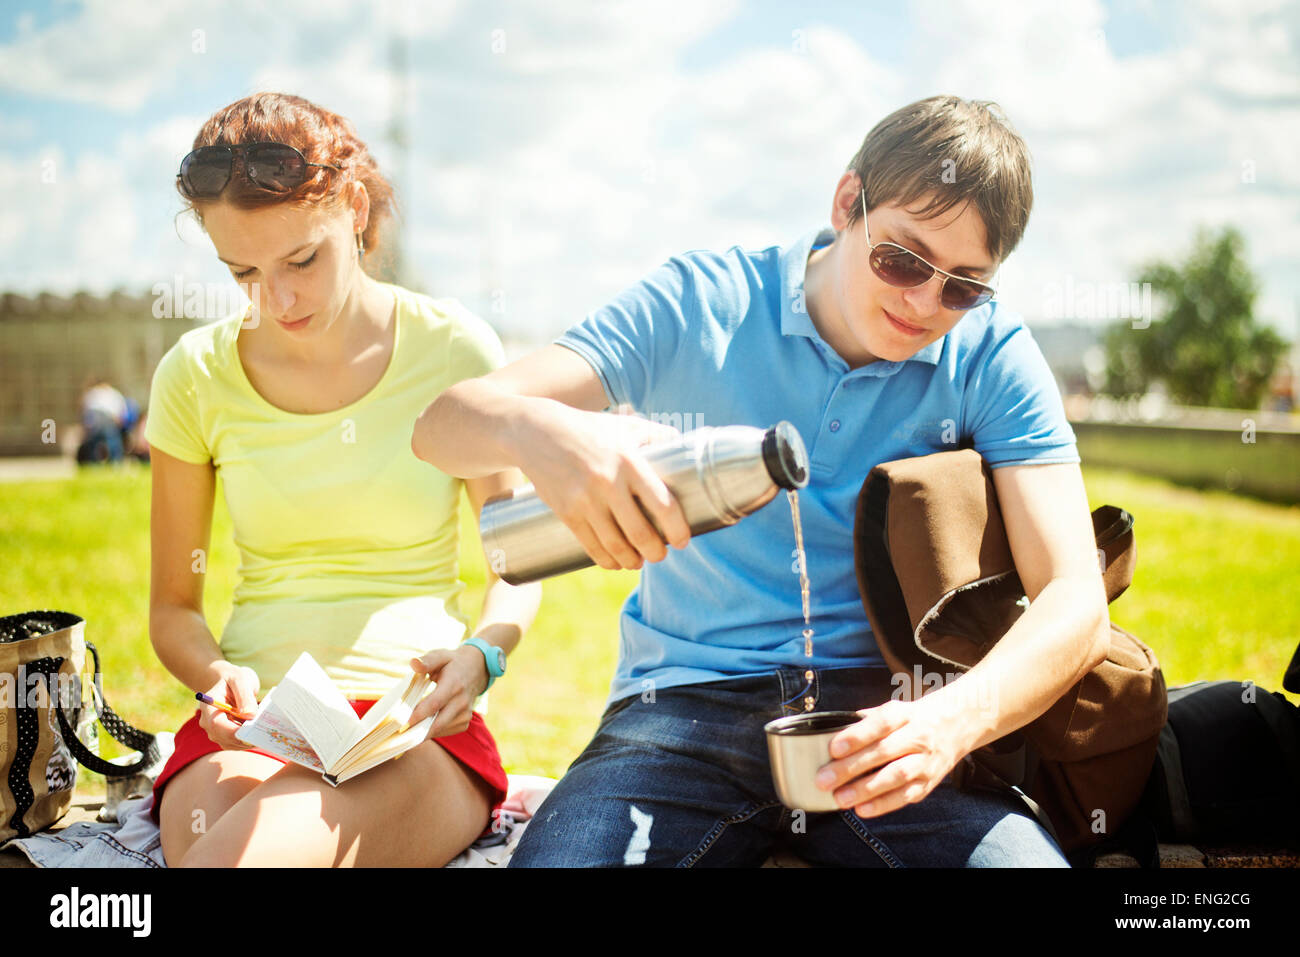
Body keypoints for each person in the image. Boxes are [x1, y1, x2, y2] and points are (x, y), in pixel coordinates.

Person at [411, 95, 1110, 867]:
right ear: (848, 203)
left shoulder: (991, 351)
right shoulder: (701, 302)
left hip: (894, 719)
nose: (924, 303)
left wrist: (952, 720)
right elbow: (440, 427)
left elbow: (1075, 598)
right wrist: (543, 430)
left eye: (962, 286)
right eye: (902, 260)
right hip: (675, 714)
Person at [145, 92, 540, 867]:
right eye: (243, 272)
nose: (278, 300)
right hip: (257, 724)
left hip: (410, 724)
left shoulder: (453, 348)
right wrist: (215, 673)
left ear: (354, 208)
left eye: (301, 260)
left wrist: (482, 655)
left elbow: (517, 564)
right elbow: (172, 607)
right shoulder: (193, 375)